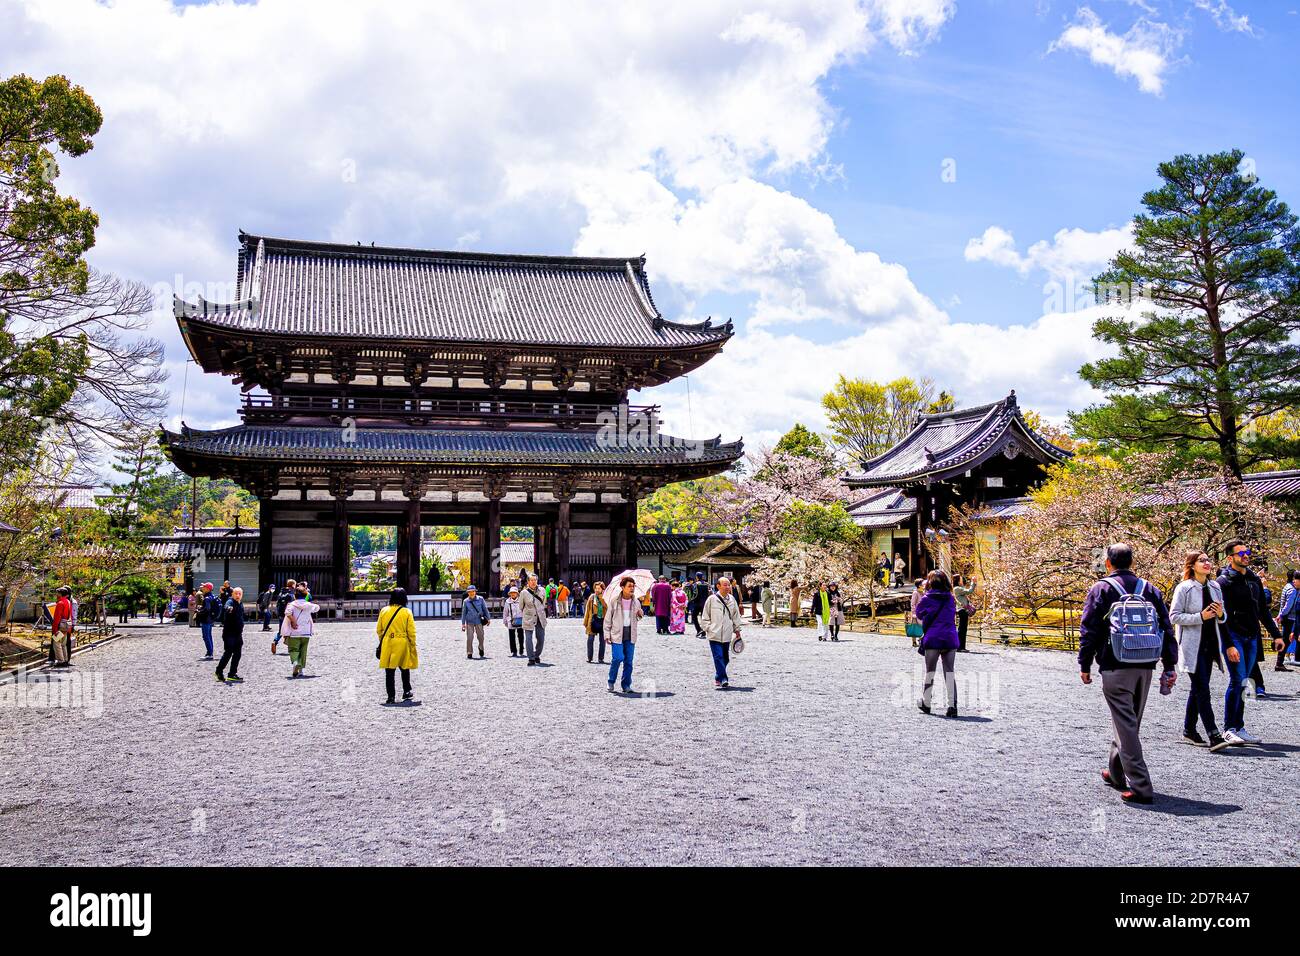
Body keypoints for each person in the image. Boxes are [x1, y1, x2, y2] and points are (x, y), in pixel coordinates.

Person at [1079, 543, 1177, 805]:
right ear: (1132, 562)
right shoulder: (1149, 589)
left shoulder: (1102, 588)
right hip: (1145, 663)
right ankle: (1115, 772)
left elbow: (1089, 630)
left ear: (1108, 563)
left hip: (1115, 664)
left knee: (1126, 725)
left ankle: (1141, 787)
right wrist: (1169, 664)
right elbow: (1166, 628)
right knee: (1128, 722)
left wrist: (1084, 664)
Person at [1216, 540, 1284, 744]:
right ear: (1230, 558)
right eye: (1241, 553)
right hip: (1234, 636)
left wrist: (1276, 635)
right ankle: (1229, 728)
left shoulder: (1254, 580)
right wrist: (1228, 644)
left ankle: (1240, 726)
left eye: (1247, 551)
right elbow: (1221, 618)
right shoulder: (1223, 582)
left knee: (1246, 681)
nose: (1246, 555)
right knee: (1237, 680)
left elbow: (1262, 611)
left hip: (1251, 636)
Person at [1169, 551, 1230, 751]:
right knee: (1203, 689)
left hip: (1211, 645)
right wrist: (1199, 617)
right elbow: (1174, 616)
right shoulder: (1184, 588)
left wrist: (1220, 614)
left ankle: (1189, 729)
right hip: (1191, 646)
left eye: (1207, 560)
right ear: (1192, 565)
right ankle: (1214, 734)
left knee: (1198, 689)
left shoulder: (1215, 586)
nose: (1206, 563)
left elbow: (1223, 617)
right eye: (1201, 560)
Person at [914, 570, 960, 717]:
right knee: (949, 672)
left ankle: (926, 703)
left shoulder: (927, 598)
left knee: (930, 673)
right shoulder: (950, 598)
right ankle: (952, 706)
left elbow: (919, 613)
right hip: (949, 638)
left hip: (933, 638)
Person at [700, 576, 744, 689]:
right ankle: (724, 678)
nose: (728, 587)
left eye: (729, 584)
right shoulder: (711, 599)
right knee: (718, 656)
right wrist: (708, 628)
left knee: (726, 658)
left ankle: (718, 677)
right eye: (725, 585)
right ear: (718, 586)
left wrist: (737, 629)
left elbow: (735, 615)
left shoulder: (732, 599)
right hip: (714, 633)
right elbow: (705, 615)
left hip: (727, 633)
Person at [377, 588, 418, 704]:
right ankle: (406, 691)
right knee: (405, 668)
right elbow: (411, 631)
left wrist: (383, 640)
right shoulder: (406, 612)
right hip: (402, 641)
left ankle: (391, 696)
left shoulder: (384, 610)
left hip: (388, 642)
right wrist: (413, 643)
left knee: (389, 671)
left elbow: (379, 629)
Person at [603, 576, 642, 693]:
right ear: (622, 587)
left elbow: (638, 618)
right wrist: (606, 634)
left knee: (629, 661)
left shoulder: (636, 601)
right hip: (617, 634)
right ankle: (611, 681)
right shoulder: (614, 601)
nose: (632, 588)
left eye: (633, 586)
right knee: (618, 657)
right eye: (629, 586)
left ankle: (626, 685)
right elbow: (608, 619)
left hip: (630, 633)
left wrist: (640, 614)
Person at [284, 586, 319, 678]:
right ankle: (301, 671)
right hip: (306, 632)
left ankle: (295, 662)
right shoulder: (308, 605)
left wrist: (293, 621)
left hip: (294, 631)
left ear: (295, 596)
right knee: (303, 651)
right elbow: (317, 608)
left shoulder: (291, 605)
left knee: (293, 649)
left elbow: (287, 613)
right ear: (305, 595)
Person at [215, 586, 246, 683]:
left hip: (238, 634)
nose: (237, 595)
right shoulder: (230, 602)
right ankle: (219, 671)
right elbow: (226, 606)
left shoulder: (240, 603)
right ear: (232, 594)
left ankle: (232, 674)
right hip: (229, 633)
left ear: (242, 595)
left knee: (237, 653)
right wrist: (228, 608)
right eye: (236, 593)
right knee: (228, 652)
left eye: (239, 594)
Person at [520, 573, 548, 666]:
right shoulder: (523, 593)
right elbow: (521, 606)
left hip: (540, 617)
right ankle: (531, 658)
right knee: (528, 639)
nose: (533, 582)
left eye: (535, 580)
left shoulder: (542, 590)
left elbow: (544, 603)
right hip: (529, 617)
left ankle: (537, 655)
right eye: (531, 580)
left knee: (541, 638)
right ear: (528, 582)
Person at [461, 583, 489, 659]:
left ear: (475, 592)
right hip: (469, 621)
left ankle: (481, 647)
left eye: (473, 591)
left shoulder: (481, 599)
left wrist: (488, 618)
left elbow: (485, 609)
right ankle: (469, 652)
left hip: (479, 621)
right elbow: (464, 613)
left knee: (481, 637)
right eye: (469, 592)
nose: (471, 593)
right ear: (468, 593)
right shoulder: (466, 601)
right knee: (469, 638)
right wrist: (463, 623)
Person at [1278, 569, 1300, 668]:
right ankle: (1280, 662)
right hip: (1289, 618)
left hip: (1289, 618)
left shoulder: (1288, 587)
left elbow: (1283, 605)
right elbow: (1287, 606)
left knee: (1286, 639)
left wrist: (1280, 614)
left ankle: (1280, 662)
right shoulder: (1292, 590)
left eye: (1296, 579)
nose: (1294, 580)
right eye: (1294, 578)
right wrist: (1282, 614)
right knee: (1286, 640)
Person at [196, 582, 222, 660]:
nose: (202, 588)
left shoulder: (207, 598)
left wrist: (199, 611)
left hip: (206, 619)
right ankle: (210, 652)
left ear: (207, 589)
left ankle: (209, 653)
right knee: (209, 636)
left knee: (206, 637)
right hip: (210, 619)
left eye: (204, 587)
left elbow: (207, 609)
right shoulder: (212, 597)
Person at [584, 580, 608, 663]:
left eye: (599, 588)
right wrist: (585, 622)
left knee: (602, 641)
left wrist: (602, 598)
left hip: (603, 621)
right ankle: (589, 657)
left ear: (602, 589)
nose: (597, 590)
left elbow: (607, 607)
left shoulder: (606, 597)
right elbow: (587, 610)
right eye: (596, 588)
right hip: (593, 621)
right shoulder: (591, 597)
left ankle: (601, 658)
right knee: (590, 639)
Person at [49, 586, 74, 667]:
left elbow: (57, 618)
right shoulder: (68, 601)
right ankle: (65, 659)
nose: (56, 594)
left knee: (56, 643)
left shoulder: (60, 603)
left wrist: (54, 630)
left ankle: (60, 661)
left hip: (60, 626)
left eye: (57, 593)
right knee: (63, 644)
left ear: (60, 594)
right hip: (66, 626)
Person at [273, 579, 297, 655]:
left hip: (280, 614)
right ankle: (291, 647)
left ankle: (275, 641)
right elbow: (292, 606)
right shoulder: (291, 594)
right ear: (293, 585)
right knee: (291, 630)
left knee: (281, 630)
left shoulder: (281, 593)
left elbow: (278, 604)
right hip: (288, 615)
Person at [953, 574, 976, 651]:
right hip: (962, 610)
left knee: (963, 628)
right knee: (962, 629)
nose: (962, 580)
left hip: (963, 610)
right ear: (958, 581)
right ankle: (960, 647)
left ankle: (961, 646)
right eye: (960, 579)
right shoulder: (957, 588)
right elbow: (970, 591)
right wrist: (973, 582)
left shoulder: (959, 588)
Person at [503, 585, 525, 658]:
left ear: (517, 594)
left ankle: (521, 648)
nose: (513, 594)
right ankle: (514, 651)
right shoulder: (507, 602)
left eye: (514, 593)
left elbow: (524, 610)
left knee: (521, 636)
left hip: (520, 620)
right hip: (511, 621)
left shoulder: (521, 601)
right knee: (511, 637)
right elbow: (505, 612)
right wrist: (505, 621)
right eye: (511, 593)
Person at [907, 577, 927, 647]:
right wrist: (914, 613)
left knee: (923, 626)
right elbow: (913, 604)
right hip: (916, 613)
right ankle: (914, 641)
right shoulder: (915, 593)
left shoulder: (924, 593)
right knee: (915, 626)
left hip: (923, 613)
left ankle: (921, 639)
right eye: (923, 584)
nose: (924, 585)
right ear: (919, 585)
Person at [690, 572, 710, 636]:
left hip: (697, 603)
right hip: (705, 603)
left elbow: (694, 594)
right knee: (703, 618)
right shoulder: (707, 584)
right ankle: (703, 631)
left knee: (694, 617)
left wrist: (691, 600)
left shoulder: (695, 584)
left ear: (697, 577)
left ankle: (699, 630)